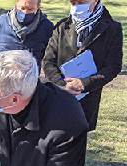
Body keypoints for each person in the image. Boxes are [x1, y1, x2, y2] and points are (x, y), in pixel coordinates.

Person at [0, 0, 54, 166]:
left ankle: (19, 154)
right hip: (1, 87)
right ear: (16, 4)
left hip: (27, 89)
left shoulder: (47, 27)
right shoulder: (1, 23)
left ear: (38, 6)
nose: (25, 12)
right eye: (22, 8)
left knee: (23, 124)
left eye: (30, 9)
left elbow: (50, 58)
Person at [42, 0, 122, 131]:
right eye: (73, 2)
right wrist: (62, 85)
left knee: (79, 142)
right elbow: (48, 61)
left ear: (95, 1)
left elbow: (113, 66)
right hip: (59, 97)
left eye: (81, 2)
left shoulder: (113, 29)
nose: (76, 7)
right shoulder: (62, 26)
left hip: (88, 99)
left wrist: (85, 83)